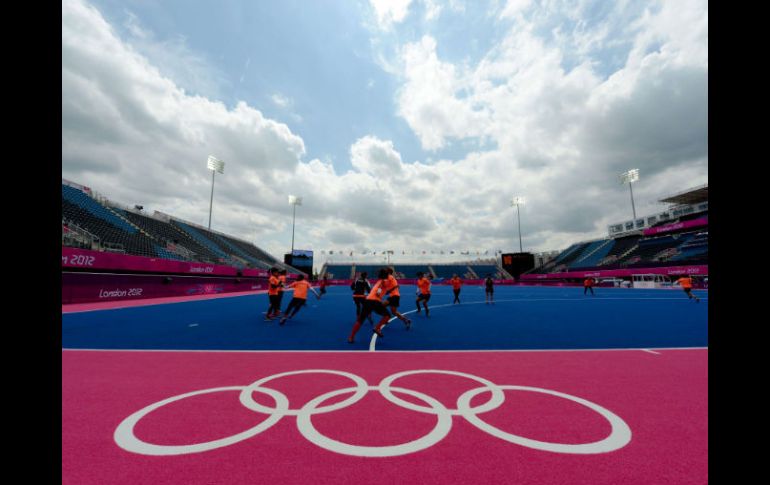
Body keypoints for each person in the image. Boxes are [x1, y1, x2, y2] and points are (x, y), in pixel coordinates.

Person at [348, 268, 392, 343]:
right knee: (387, 315)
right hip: (375, 301)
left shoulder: (378, 281)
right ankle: (377, 328)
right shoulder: (384, 281)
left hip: (368, 300)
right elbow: (379, 292)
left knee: (360, 321)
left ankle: (351, 337)